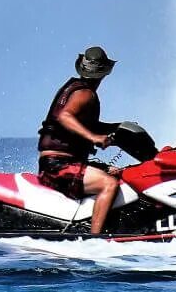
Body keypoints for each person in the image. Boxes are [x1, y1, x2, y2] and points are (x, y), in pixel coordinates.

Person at [36, 45, 123, 235]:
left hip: (60, 162)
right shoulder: (85, 94)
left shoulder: (74, 88)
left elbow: (84, 124)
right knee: (109, 184)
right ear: (104, 73)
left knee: (117, 172)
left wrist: (119, 130)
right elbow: (65, 117)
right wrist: (95, 138)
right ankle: (95, 240)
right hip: (59, 165)